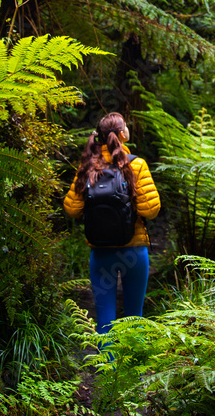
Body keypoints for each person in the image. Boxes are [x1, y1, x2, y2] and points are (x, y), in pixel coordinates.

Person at [63, 112, 160, 335]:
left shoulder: (88, 167)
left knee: (104, 320)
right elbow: (151, 210)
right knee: (135, 317)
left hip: (100, 252)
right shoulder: (136, 164)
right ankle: (134, 357)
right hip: (133, 252)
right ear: (122, 134)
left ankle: (106, 357)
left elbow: (72, 209)